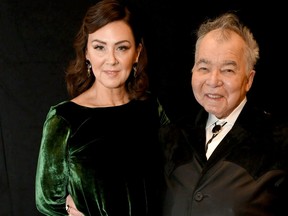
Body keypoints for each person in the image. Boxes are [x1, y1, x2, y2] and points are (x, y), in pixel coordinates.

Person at [35, 0, 170, 215]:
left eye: (122, 48)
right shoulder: (64, 119)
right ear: (86, 52)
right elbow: (48, 203)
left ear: (137, 53)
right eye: (100, 47)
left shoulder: (152, 109)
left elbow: (175, 180)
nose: (111, 60)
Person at [160, 12, 288, 215]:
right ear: (192, 71)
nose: (213, 80)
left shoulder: (279, 141)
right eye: (204, 67)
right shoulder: (171, 137)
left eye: (228, 70)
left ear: (248, 80)